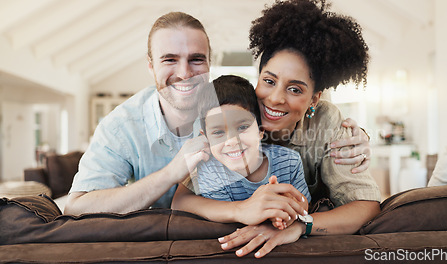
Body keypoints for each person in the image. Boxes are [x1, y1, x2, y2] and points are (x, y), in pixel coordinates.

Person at [65, 10, 370, 215]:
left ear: (210, 62)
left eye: (196, 60)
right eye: (169, 59)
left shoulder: (238, 106)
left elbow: (296, 116)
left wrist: (360, 138)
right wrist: (172, 172)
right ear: (150, 66)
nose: (184, 73)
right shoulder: (122, 125)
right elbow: (76, 207)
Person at [173, 0, 381, 259]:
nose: (275, 99)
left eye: (295, 89)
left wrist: (301, 226)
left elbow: (366, 206)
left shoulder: (327, 123)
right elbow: (184, 197)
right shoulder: (234, 112)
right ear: (257, 79)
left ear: (314, 99)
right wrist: (242, 210)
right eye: (269, 81)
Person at [188, 75, 310, 229]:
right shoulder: (210, 171)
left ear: (260, 131)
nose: (232, 141)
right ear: (206, 138)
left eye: (242, 127)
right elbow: (226, 224)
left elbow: (304, 204)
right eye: (218, 132)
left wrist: (287, 212)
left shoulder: (289, 161)